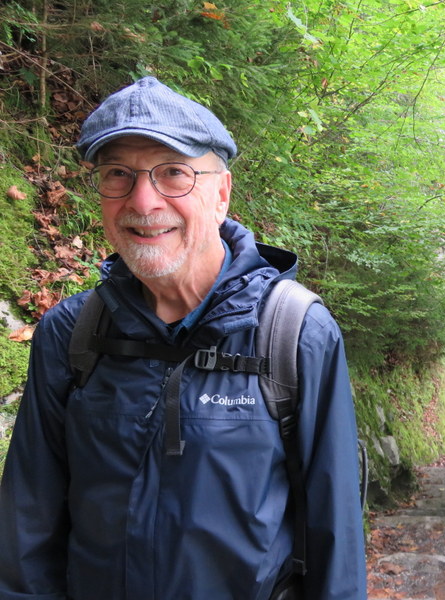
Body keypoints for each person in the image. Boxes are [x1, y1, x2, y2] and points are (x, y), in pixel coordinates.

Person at [0, 77, 367, 600]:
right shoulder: (72, 333)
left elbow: (336, 537)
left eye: (174, 173)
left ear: (221, 194)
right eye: (118, 175)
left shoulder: (294, 334)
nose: (143, 200)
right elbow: (27, 525)